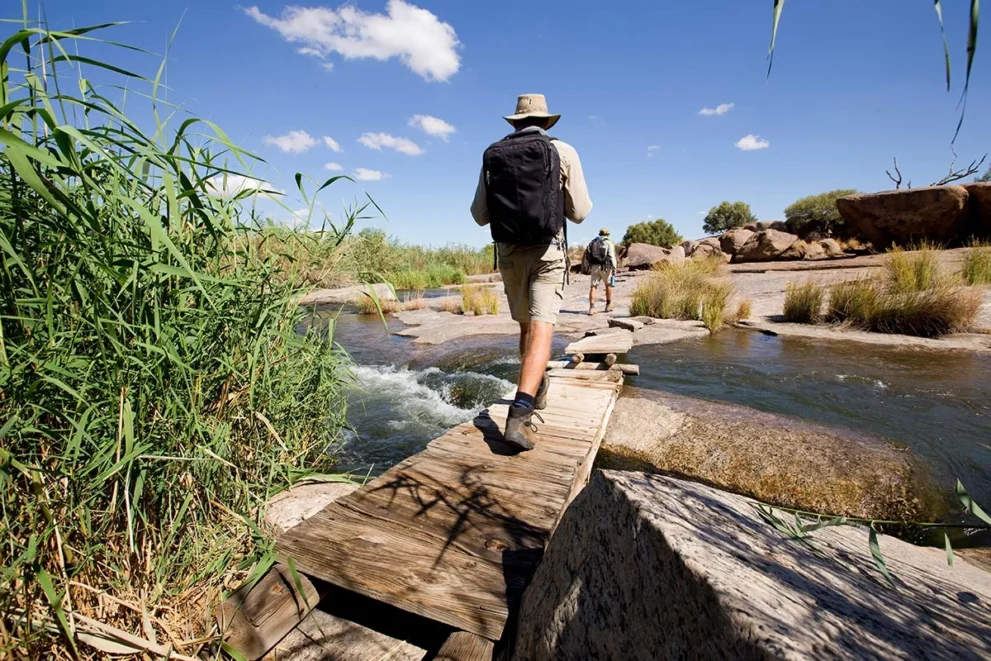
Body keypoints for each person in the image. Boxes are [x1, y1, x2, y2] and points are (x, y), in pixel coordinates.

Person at [470, 93, 592, 451]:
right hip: (547, 250)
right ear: (546, 121)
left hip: (508, 253)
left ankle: (534, 387)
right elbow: (580, 212)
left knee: (526, 325)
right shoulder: (563, 151)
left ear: (515, 122)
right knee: (542, 328)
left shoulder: (493, 153)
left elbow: (479, 215)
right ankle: (520, 414)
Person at [583, 228, 617, 315]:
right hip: (605, 267)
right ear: (607, 234)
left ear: (600, 234)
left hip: (594, 266)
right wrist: (614, 268)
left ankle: (592, 307)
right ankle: (608, 305)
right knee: (608, 285)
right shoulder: (609, 242)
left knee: (593, 286)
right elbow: (612, 256)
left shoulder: (594, 242)